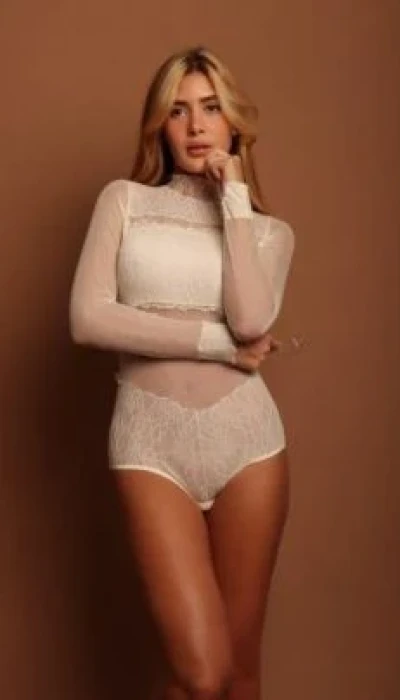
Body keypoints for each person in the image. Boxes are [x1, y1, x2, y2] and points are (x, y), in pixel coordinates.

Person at [69, 45, 295, 700]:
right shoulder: (125, 203)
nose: (196, 126)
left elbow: (250, 319)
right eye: (177, 111)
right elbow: (88, 319)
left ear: (233, 123)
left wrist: (234, 202)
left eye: (211, 108)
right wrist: (215, 344)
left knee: (239, 673)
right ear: (159, 126)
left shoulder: (270, 233)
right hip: (149, 442)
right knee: (200, 670)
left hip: (249, 446)